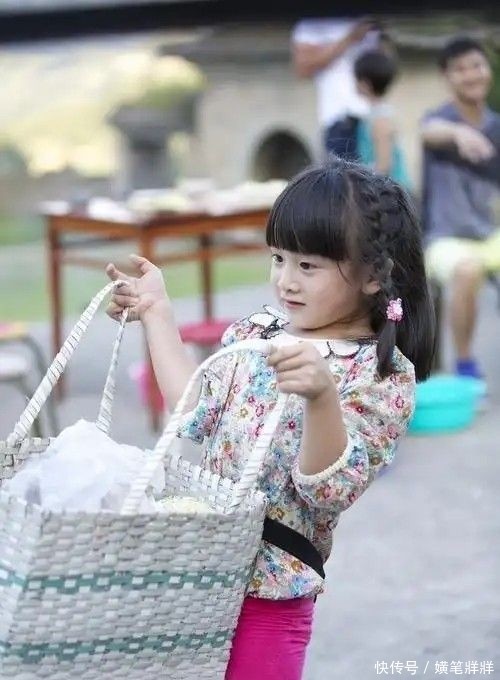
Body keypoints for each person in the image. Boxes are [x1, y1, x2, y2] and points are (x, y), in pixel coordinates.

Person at [105, 159, 435, 680]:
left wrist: (321, 397)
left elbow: (328, 491)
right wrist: (157, 312)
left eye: (308, 266)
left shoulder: (379, 373)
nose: (286, 280)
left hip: (272, 594)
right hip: (195, 572)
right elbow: (193, 411)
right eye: (279, 258)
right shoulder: (255, 332)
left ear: (373, 275)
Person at [421, 36, 500, 380]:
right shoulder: (438, 119)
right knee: (468, 270)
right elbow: (430, 132)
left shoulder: (496, 126)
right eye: (460, 69)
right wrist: (457, 133)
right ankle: (465, 364)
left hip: (490, 235)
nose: (471, 75)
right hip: (445, 239)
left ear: (488, 70)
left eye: (477, 66)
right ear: (447, 77)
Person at [292, 17, 389, 159]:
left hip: (374, 117)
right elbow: (303, 67)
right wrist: (350, 39)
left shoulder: (367, 18)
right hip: (340, 120)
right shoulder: (312, 23)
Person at [354, 49, 411, 188]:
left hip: (390, 191)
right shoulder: (375, 115)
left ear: (365, 84)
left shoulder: (380, 119)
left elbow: (384, 166)